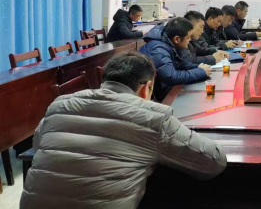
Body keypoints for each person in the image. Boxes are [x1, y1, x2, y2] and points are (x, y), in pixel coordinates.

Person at [20, 51, 226, 209]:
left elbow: (38, 145)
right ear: (146, 88)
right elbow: (213, 162)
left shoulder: (59, 104)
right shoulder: (153, 117)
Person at [140, 17, 211, 101]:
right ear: (177, 39)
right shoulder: (159, 50)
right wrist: (200, 72)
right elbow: (170, 77)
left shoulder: (169, 42)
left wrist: (198, 67)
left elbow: (180, 63)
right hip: (152, 97)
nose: (190, 39)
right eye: (188, 37)